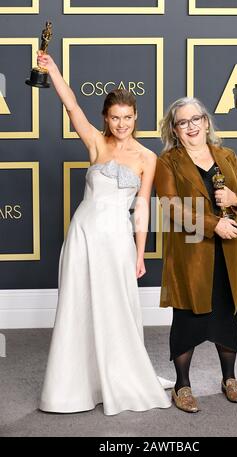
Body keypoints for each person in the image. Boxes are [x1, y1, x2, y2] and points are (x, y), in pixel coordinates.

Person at [37, 51, 173, 416]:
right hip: (82, 236)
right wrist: (52, 69)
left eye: (127, 117)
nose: (121, 124)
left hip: (117, 240)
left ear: (135, 118)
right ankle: (74, 387)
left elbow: (142, 208)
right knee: (77, 307)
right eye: (115, 117)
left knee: (116, 310)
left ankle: (118, 377)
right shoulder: (96, 143)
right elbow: (71, 106)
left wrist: (140, 253)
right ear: (106, 118)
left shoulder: (148, 158)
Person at [154, 97, 237, 413]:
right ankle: (182, 386)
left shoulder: (227, 156)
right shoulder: (168, 162)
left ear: (206, 121)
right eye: (183, 122)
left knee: (227, 314)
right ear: (174, 129)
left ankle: (229, 378)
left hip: (228, 252)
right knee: (187, 317)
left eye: (195, 119)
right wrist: (215, 225)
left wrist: (234, 198)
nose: (191, 126)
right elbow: (172, 207)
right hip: (191, 251)